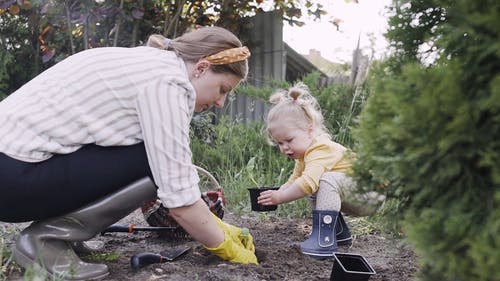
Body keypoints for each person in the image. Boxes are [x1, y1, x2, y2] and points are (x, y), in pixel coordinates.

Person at [0, 26, 257, 280]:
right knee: (151, 161)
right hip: (10, 178)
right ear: (201, 68)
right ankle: (46, 242)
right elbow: (180, 198)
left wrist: (221, 227)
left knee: (150, 155)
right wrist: (226, 247)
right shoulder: (168, 83)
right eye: (223, 89)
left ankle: (64, 239)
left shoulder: (148, 64)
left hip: (13, 171)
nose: (221, 102)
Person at [258, 83, 385, 259]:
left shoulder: (321, 149)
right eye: (280, 143)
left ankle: (324, 242)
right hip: (358, 193)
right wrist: (278, 192)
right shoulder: (305, 154)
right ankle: (338, 233)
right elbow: (295, 179)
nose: (285, 148)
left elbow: (306, 183)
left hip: (370, 195)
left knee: (324, 180)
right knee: (318, 180)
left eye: (289, 140)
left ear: (309, 129)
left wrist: (280, 198)